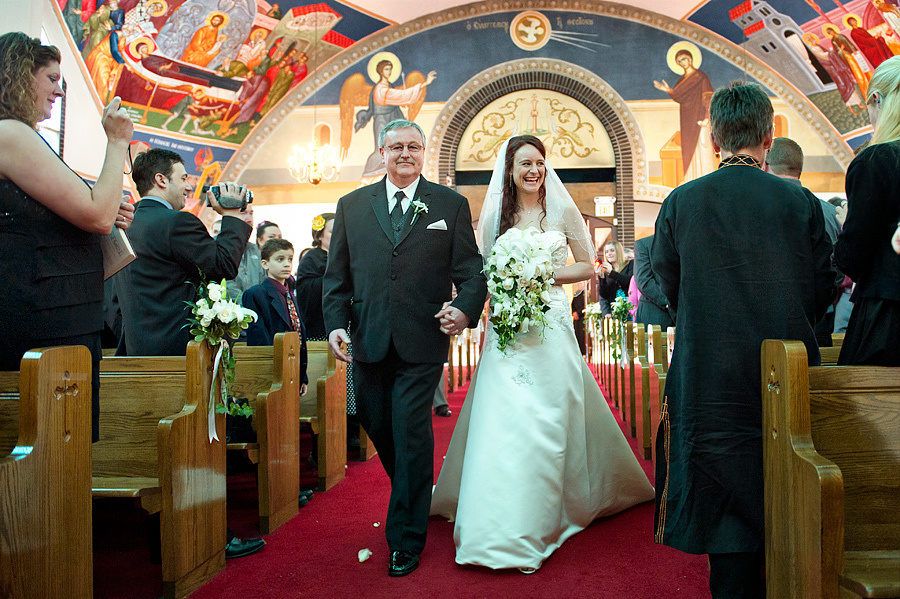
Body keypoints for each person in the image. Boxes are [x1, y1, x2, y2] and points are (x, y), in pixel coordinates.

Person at [430, 135, 654, 573]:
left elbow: (589, 265)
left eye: (539, 162)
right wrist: (506, 284)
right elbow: (486, 272)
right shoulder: (495, 215)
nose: (533, 170)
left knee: (551, 414)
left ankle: (554, 508)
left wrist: (542, 273)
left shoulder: (564, 210)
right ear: (509, 171)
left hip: (550, 325)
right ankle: (496, 518)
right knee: (505, 417)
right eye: (524, 164)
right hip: (509, 330)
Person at [651, 82, 835, 599]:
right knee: (789, 487)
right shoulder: (800, 201)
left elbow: (670, 284)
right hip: (787, 372)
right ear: (768, 136)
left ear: (712, 138)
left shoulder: (682, 201)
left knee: (724, 505)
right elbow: (824, 286)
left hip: (709, 372)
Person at [322, 119, 486, 577]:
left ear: (424, 151)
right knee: (378, 423)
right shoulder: (352, 206)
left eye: (414, 146)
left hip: (422, 339)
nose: (405, 154)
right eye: (397, 147)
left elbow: (472, 272)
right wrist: (335, 325)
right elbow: (337, 277)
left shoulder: (448, 205)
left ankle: (405, 540)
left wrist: (464, 310)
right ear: (382, 151)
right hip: (367, 339)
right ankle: (414, 493)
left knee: (412, 432)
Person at [0, 32, 134, 442]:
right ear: (21, 75)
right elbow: (94, 214)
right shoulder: (11, 133)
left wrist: (109, 210)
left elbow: (86, 212)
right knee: (58, 453)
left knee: (64, 451)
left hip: (54, 313)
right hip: (45, 318)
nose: (59, 89)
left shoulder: (19, 136)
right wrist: (116, 141)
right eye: (52, 77)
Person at [835, 56, 900, 366]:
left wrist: (848, 223)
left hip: (888, 316)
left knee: (874, 411)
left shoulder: (876, 162)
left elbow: (853, 257)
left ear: (877, 99)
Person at [765, 137, 842, 346]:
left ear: (766, 164)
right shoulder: (830, 212)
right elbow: (836, 269)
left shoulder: (759, 207)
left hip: (770, 324)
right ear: (799, 168)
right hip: (819, 323)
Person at [242, 238, 308, 388]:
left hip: (293, 367)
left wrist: (302, 376)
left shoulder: (290, 295)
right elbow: (258, 338)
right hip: (272, 369)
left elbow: (298, 331)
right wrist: (270, 373)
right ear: (264, 263)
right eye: (280, 259)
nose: (287, 264)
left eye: (290, 259)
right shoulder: (255, 293)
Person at [295, 213, 334, 340]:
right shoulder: (311, 258)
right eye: (332, 231)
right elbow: (306, 290)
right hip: (319, 327)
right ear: (320, 235)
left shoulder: (347, 256)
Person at [633, 235, 675, 329]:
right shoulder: (643, 244)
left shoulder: (686, 243)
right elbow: (643, 280)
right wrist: (668, 301)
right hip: (654, 314)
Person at [597, 240, 633, 313]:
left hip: (630, 308)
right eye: (606, 252)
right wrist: (601, 277)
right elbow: (604, 295)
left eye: (612, 250)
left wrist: (611, 273)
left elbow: (628, 282)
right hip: (615, 312)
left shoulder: (630, 265)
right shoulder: (607, 272)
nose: (609, 254)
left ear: (619, 251)